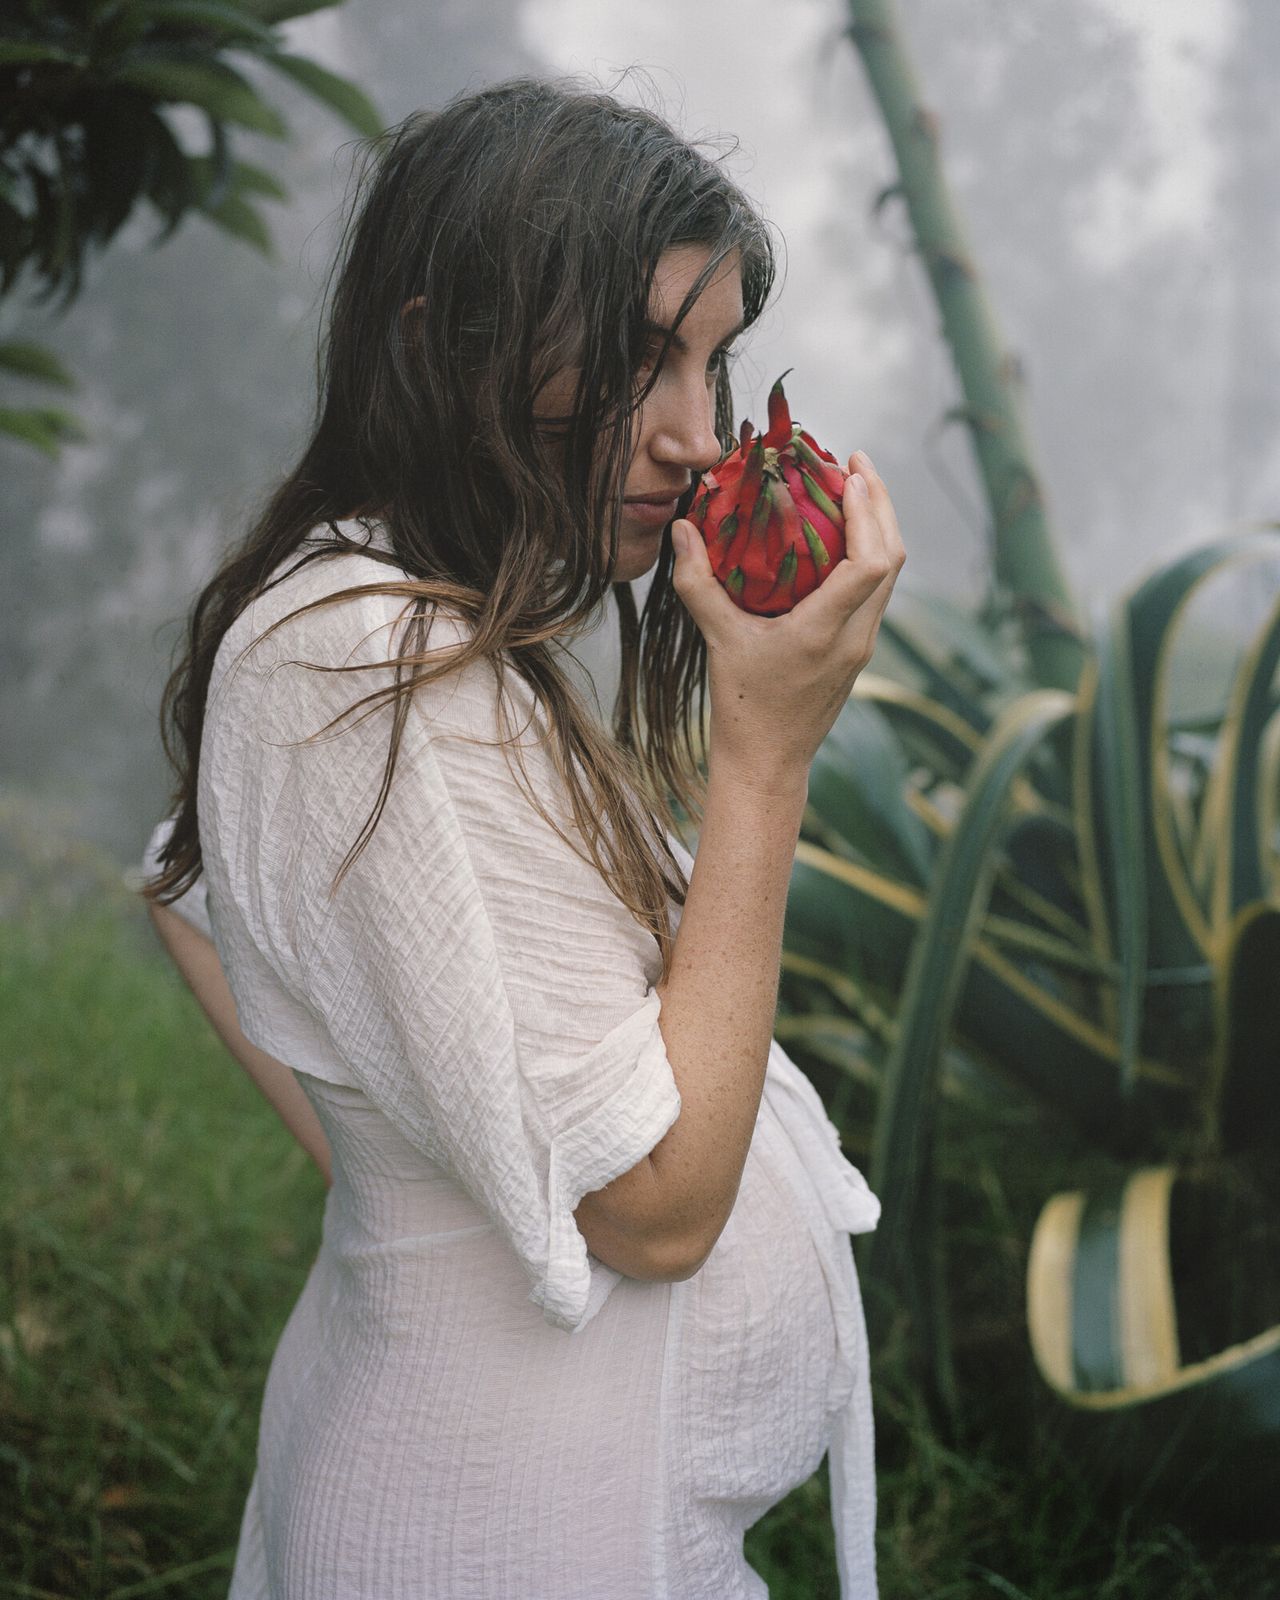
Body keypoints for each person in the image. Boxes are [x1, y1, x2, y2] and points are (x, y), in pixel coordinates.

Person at [142, 76, 904, 1600]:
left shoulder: (414, 631)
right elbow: (659, 1209)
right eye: (640, 359)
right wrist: (764, 761)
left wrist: (422, 1164)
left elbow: (187, 884)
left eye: (713, 364)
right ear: (447, 345)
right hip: (505, 1534)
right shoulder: (365, 654)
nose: (699, 438)